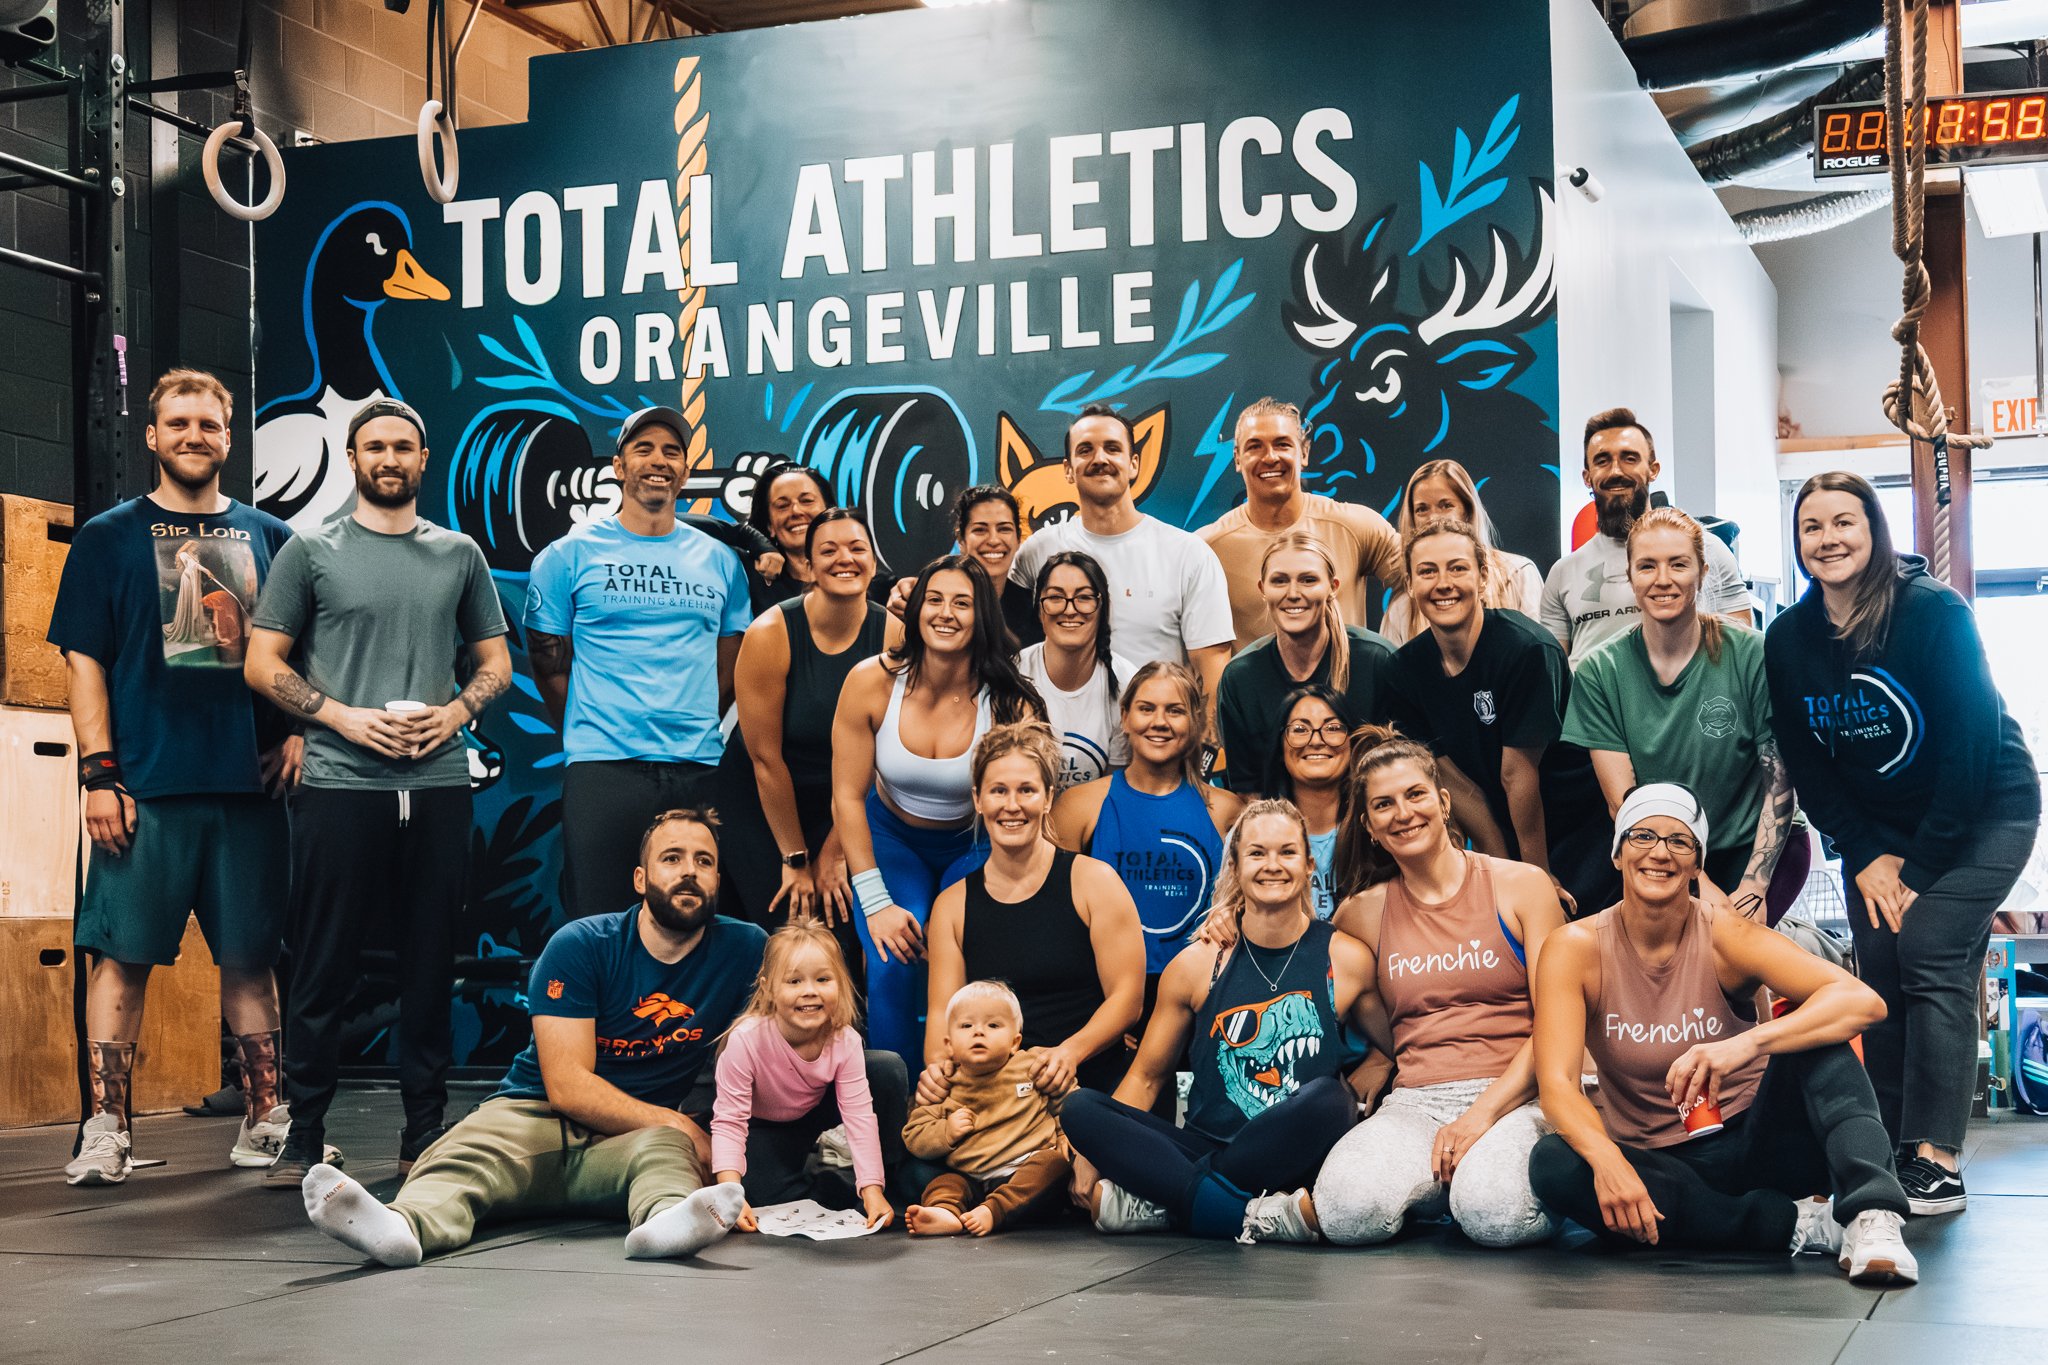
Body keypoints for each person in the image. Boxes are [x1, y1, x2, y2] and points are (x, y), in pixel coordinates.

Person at [296, 809, 764, 1266]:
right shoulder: (582, 945)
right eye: (672, 858)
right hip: (535, 1112)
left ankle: (665, 1225)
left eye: (704, 861)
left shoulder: (746, 949)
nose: (689, 871)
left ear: (719, 881)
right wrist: (681, 1123)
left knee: (668, 1155)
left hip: (633, 1139)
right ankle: (402, 1228)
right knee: (469, 1151)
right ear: (640, 879)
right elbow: (568, 1086)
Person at [245, 397, 512, 1185]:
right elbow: (263, 662)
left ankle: (424, 1130)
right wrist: (343, 718)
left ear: (422, 459)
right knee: (323, 963)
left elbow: (493, 662)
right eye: (374, 446)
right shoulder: (310, 549)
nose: (389, 458)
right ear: (354, 458)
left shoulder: (459, 554)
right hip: (338, 781)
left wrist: (456, 712)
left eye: (404, 445)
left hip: (434, 783)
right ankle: (305, 1131)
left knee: (430, 965)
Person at [1765, 471, 2040, 1215]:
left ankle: (1938, 1159)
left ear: (1875, 530)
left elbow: (1971, 746)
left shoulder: (1933, 614)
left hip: (1988, 808)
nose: (1829, 539)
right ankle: (1887, 1145)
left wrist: (1919, 866)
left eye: (1845, 522)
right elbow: (1810, 765)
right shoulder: (1789, 640)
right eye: (1812, 526)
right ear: (1798, 543)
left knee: (1929, 946)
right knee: (1880, 965)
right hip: (1880, 831)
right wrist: (1863, 851)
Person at [49, 369, 298, 1186]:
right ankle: (106, 1129)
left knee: (251, 958)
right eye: (179, 423)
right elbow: (84, 666)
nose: (195, 435)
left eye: (211, 424)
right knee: (121, 960)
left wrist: (294, 733)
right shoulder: (108, 537)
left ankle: (267, 1119)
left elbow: (300, 655)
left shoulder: (272, 537)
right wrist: (98, 774)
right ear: (152, 437)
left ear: (230, 438)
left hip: (246, 790)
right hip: (143, 790)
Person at [1527, 785, 1920, 1284]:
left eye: (1680, 842)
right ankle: (1797, 1225)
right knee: (1553, 1165)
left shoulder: (1725, 935)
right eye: (1643, 835)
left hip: (1759, 1141)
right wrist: (1607, 1160)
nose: (1660, 852)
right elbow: (1557, 1084)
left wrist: (1748, 1042)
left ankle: (1873, 1216)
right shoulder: (1574, 948)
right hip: (1662, 1165)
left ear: (1696, 864)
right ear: (1618, 852)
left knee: (1820, 1035)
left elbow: (1863, 1002)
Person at [1061, 800, 1371, 1243]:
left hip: (1297, 1154)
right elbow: (1147, 1077)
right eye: (1257, 853)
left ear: (1308, 864)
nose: (1272, 865)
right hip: (1207, 1146)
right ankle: (1250, 1215)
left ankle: (1170, 1204)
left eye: (1286, 853)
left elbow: (1400, 1040)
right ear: (1237, 865)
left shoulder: (1346, 958)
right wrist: (1096, 1153)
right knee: (1081, 1109)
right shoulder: (1196, 964)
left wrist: (1378, 1060)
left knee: (1333, 1099)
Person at [1307, 728, 1565, 1248]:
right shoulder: (1362, 912)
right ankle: (1443, 1188)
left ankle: (1469, 1185)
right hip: (1419, 1103)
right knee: (1344, 1210)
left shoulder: (1521, 885)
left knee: (1495, 1213)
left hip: (1518, 1093)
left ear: (1444, 803)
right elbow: (1309, 963)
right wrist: (1224, 919)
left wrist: (1480, 1117)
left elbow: (1559, 1027)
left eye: (1415, 794)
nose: (1402, 813)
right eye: (1384, 804)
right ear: (1370, 827)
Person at [524, 406, 752, 919]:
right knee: (601, 921)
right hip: (604, 766)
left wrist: (692, 717)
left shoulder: (720, 560)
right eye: (643, 449)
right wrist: (593, 727)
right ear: (618, 467)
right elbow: (548, 663)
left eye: (672, 451)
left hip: (697, 765)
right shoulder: (566, 555)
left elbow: (731, 654)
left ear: (686, 472)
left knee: (695, 921)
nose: (659, 460)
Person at [831, 555, 1044, 1061]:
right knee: (891, 959)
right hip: (891, 839)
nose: (945, 613)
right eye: (935, 599)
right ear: (916, 608)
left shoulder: (1011, 700)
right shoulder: (871, 682)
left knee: (978, 964)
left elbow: (1023, 803)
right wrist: (877, 903)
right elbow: (846, 796)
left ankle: (974, 1102)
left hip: (975, 844)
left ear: (982, 617)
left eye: (963, 603)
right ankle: (892, 1111)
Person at [1563, 506, 1801, 920]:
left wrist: (1754, 886)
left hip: (1758, 849)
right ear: (1630, 576)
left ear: (1702, 573)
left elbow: (1778, 783)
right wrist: (1694, 877)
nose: (1663, 579)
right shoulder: (1601, 670)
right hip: (1666, 851)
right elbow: (1623, 803)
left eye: (1678, 564)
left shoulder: (1752, 654)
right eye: (1647, 566)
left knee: (1738, 960)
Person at [1387, 518, 1614, 917]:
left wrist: (1536, 878)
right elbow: (1458, 786)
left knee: (1571, 937)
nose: (1444, 583)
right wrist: (1499, 870)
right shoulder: (1404, 671)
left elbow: (1518, 776)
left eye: (1458, 567)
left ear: (1483, 575)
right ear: (1409, 584)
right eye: (1427, 571)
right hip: (1507, 819)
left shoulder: (1527, 650)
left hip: (1578, 827)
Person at [921, 722, 1146, 1099]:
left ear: (1047, 798)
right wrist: (937, 1073)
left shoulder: (1094, 882)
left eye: (1026, 790)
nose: (1012, 806)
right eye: (998, 791)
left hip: (1084, 1085)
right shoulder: (952, 906)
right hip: (996, 1096)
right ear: (978, 800)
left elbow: (1127, 1000)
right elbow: (943, 1021)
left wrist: (1068, 1053)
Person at [728, 508, 889, 970]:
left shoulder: (894, 637)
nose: (845, 559)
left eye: (858, 549)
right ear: (808, 566)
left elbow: (882, 760)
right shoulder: (770, 634)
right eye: (829, 550)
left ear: (874, 563)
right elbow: (764, 759)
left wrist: (836, 851)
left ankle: (848, 1042)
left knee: (840, 922)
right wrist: (796, 859)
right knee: (790, 923)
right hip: (765, 797)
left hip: (848, 797)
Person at [1009, 404, 1234, 723]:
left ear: (1133, 464)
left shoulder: (1187, 554)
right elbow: (997, 626)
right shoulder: (1037, 551)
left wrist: (1203, 755)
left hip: (1155, 754)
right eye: (1085, 450)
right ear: (1068, 469)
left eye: (1112, 449)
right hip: (1059, 751)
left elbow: (1211, 675)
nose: (1100, 459)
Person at [1053, 662, 1243, 989]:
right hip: (1103, 989)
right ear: (1125, 717)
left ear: (1196, 721)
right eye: (1146, 709)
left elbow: (1249, 907)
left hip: (1200, 993)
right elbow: (1055, 917)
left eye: (1174, 711)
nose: (1159, 722)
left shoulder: (1227, 810)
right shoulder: (1078, 807)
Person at [710, 921, 904, 1231]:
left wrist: (873, 1189)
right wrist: (730, 1194)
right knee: (766, 1201)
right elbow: (730, 1121)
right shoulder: (746, 1040)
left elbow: (859, 1117)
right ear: (768, 987)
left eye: (823, 979)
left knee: (886, 1067)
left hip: (815, 1108)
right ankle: (825, 1179)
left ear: (839, 984)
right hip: (764, 1124)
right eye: (794, 981)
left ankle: (888, 1180)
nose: (810, 991)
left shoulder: (845, 1039)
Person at [1541, 408, 1751, 668]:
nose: (1616, 471)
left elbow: (1741, 656)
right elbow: (1553, 675)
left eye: (1629, 458)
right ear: (1587, 477)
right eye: (1602, 460)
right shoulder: (1563, 573)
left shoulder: (1708, 551)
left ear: (1653, 469)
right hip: (1592, 707)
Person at [1195, 397, 1404, 652]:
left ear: (1303, 452)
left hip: (1346, 691)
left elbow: (1427, 580)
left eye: (1282, 444)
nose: (1270, 457)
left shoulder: (1357, 527)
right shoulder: (1207, 550)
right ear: (1238, 459)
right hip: (1256, 692)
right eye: (1254, 447)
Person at [1215, 531, 1397, 795]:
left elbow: (1404, 771)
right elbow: (1247, 791)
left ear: (1333, 587)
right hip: (1279, 828)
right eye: (1279, 581)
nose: (1293, 593)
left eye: (1308, 580)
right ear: (1262, 589)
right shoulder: (1240, 678)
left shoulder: (1376, 661)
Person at [903, 981, 1074, 1237]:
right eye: (966, 1026)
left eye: (993, 1025)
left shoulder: (1031, 1064)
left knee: (1053, 1164)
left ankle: (995, 1210)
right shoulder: (945, 1082)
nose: (978, 1032)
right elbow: (914, 1133)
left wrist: (1064, 1133)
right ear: (949, 1045)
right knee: (945, 1183)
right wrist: (945, 1131)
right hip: (971, 1176)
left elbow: (1066, 1097)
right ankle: (945, 1212)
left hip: (1025, 1168)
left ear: (1015, 1042)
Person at [1380, 459, 1544, 645]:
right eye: (1422, 509)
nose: (1433, 518)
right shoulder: (1401, 607)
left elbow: (1541, 655)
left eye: (1446, 505)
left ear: (1468, 510)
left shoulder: (1518, 573)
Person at [1017, 552, 1137, 790]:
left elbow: (1111, 792)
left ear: (1102, 608)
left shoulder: (1127, 683)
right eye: (1055, 597)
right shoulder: (1013, 674)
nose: (1070, 610)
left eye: (1083, 597)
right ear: (1040, 609)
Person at [745, 458, 894, 614]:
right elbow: (718, 529)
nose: (796, 511)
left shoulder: (883, 589)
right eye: (782, 506)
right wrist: (757, 542)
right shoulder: (751, 580)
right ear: (770, 525)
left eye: (807, 501)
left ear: (830, 511)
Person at [1267, 686, 1355, 920]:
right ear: (1280, 745)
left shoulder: (1377, 829)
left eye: (1333, 728)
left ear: (1352, 742)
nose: (1316, 740)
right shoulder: (1252, 833)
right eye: (1300, 729)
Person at [954, 485, 1041, 647]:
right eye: (980, 530)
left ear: (1018, 540)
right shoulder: (934, 603)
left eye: (1004, 529)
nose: (993, 540)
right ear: (961, 540)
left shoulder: (1037, 613)